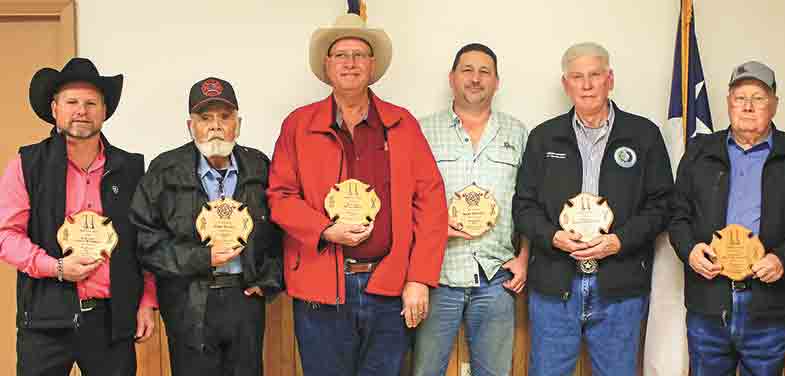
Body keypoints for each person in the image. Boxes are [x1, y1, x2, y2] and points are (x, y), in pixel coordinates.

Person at [267, 13, 448, 375]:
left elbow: (431, 202)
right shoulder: (298, 125)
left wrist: (419, 278)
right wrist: (324, 230)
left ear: (373, 65)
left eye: (359, 54)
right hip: (321, 288)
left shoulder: (402, 124)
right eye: (341, 55)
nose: (350, 63)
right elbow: (280, 196)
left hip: (389, 286)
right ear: (326, 65)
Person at [668, 61, 785, 376]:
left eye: (758, 98)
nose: (748, 106)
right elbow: (677, 214)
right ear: (728, 103)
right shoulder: (699, 153)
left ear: (774, 104)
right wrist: (690, 250)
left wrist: (784, 259)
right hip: (709, 304)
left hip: (771, 309)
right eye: (739, 97)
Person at [512, 41, 673, 375]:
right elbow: (524, 207)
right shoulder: (544, 138)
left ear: (609, 79)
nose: (586, 85)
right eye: (577, 77)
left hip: (620, 287)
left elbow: (662, 205)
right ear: (565, 84)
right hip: (555, 286)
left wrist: (619, 241)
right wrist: (554, 237)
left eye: (595, 75)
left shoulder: (643, 135)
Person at [0, 57, 157, 375]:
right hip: (44, 320)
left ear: (104, 110)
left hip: (111, 321)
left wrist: (147, 301)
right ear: (55, 108)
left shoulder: (131, 169)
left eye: (90, 103)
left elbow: (146, 240)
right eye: (71, 102)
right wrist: (56, 267)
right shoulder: (27, 165)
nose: (81, 111)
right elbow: (6, 235)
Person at [130, 77, 283, 375]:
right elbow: (145, 241)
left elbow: (282, 233)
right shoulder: (164, 170)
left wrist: (269, 280)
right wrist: (203, 258)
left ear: (238, 123)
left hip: (245, 298)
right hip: (188, 300)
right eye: (205, 117)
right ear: (191, 126)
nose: (216, 126)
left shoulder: (261, 167)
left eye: (225, 117)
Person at [413, 43, 529, 376]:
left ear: (496, 81)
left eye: (484, 72)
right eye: (467, 70)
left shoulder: (517, 133)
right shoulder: (422, 131)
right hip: (436, 275)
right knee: (424, 371)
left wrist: (523, 257)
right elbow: (406, 200)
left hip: (497, 278)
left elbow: (529, 202)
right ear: (452, 78)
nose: (475, 79)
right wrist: (435, 227)